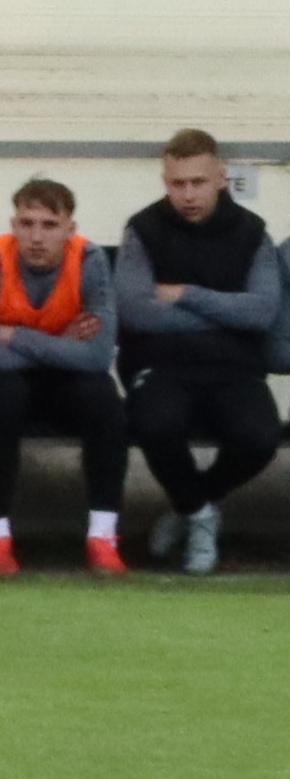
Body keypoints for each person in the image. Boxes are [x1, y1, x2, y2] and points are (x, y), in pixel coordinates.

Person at [112, 130, 278, 573]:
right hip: (160, 366)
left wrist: (185, 293)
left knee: (260, 439)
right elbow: (136, 312)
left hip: (234, 369)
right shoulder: (143, 229)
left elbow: (262, 312)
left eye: (198, 182)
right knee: (155, 425)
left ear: (221, 177)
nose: (187, 195)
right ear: (165, 182)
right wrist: (226, 314)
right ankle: (200, 515)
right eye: (177, 183)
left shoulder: (252, 233)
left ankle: (189, 505)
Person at [0, 175, 128, 576]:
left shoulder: (89, 260)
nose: (36, 237)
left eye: (49, 225)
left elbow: (97, 356)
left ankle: (103, 536)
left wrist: (15, 336)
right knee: (3, 397)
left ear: (70, 229)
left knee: (104, 399)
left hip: (60, 382)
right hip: (6, 380)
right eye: (27, 223)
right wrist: (60, 344)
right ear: (13, 225)